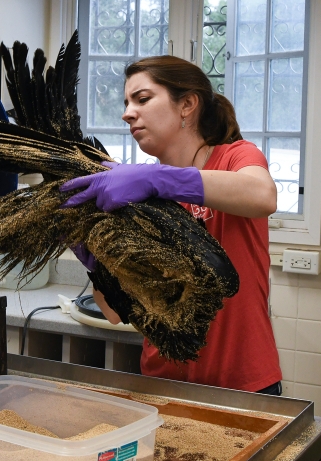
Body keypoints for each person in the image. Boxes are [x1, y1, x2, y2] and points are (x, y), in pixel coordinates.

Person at [60, 55, 282, 395]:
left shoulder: (235, 157)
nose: (127, 113)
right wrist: (98, 264)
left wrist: (157, 178)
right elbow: (114, 312)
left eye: (142, 99)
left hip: (242, 385)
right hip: (163, 385)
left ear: (187, 105)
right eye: (125, 103)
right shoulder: (134, 195)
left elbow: (263, 195)